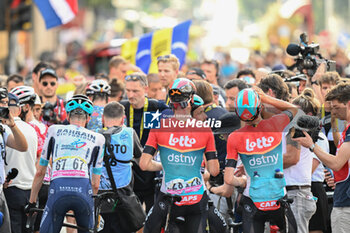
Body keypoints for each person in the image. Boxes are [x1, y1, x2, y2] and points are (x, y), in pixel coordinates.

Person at [212, 88, 298, 233]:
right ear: (260, 108)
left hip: (252, 201)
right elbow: (294, 109)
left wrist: (243, 180)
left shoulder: (234, 137)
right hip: (278, 198)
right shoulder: (275, 124)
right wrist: (265, 98)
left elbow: (228, 179)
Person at [140, 78, 220, 233]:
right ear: (191, 100)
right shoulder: (204, 129)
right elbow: (214, 170)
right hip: (196, 199)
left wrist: (166, 164)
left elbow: (144, 164)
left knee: (148, 228)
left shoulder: (159, 127)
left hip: (168, 197)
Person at [25, 94, 105, 233]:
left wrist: (32, 203)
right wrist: (91, 208)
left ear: (67, 117)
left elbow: (40, 172)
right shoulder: (99, 139)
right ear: (88, 119)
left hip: (58, 191)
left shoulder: (53, 130)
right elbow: (95, 184)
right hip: (84, 193)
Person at [294, 83, 350, 233]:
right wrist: (337, 177)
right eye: (331, 108)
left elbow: (337, 163)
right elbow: (341, 164)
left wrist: (312, 146)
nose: (333, 112)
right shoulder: (346, 129)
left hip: (346, 203)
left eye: (336, 107)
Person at [120, 73, 168, 213]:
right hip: (129, 171)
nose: (130, 95)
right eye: (128, 90)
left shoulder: (158, 108)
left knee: (152, 217)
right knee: (130, 218)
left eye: (135, 91)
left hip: (151, 169)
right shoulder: (121, 108)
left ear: (146, 89)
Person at [98, 101, 143, 233]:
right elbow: (141, 160)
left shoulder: (95, 136)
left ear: (102, 118)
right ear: (123, 119)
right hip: (124, 194)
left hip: (101, 193)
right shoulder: (129, 133)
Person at [10, 86, 49, 233]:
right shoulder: (36, 128)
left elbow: (40, 160)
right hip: (34, 187)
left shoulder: (13, 128)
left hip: (20, 186)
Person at [291, 89, 330, 233]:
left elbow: (309, 169)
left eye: (296, 113)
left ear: (309, 115)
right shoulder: (293, 137)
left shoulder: (320, 138)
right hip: (297, 190)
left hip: (312, 189)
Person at [3, 93, 37, 233]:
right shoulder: (31, 129)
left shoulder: (3, 129)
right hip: (30, 189)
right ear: (19, 110)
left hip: (11, 188)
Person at [0, 87, 28, 233]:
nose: (3, 106)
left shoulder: (2, 129)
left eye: (6, 103)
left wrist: (13, 125)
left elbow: (23, 146)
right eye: (1, 103)